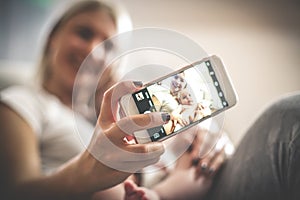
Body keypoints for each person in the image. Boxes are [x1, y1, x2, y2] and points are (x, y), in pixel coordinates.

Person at [0, 1, 169, 199]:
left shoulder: (104, 121)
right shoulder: (22, 103)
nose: (93, 51)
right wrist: (86, 172)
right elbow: (15, 193)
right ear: (53, 38)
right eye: (84, 33)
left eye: (108, 46)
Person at [123, 92, 300, 200]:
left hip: (207, 175)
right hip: (179, 187)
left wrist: (216, 144)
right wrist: (163, 194)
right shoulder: (99, 137)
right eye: (92, 33)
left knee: (291, 114)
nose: (97, 49)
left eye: (108, 42)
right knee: (287, 116)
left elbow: (211, 136)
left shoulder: (141, 98)